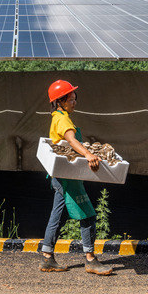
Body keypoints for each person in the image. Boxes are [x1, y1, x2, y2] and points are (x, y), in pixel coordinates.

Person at [40, 80, 113, 276]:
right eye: (71, 99)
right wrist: (89, 155)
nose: (75, 102)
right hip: (67, 178)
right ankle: (90, 260)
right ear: (61, 101)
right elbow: (71, 140)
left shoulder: (57, 116)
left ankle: (47, 256)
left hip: (61, 175)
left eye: (75, 98)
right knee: (88, 214)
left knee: (57, 215)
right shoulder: (63, 120)